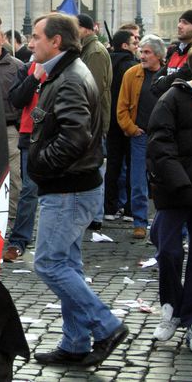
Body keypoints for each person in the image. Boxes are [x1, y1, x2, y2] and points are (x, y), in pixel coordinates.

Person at [28, 13, 128, 366]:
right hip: (71, 185)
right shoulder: (64, 71)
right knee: (66, 263)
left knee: (49, 263)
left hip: (69, 187)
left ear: (56, 41)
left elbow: (74, 137)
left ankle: (106, 325)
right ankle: (75, 342)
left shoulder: (69, 77)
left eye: (36, 36)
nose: (30, 41)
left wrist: (39, 164)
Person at [146, 40, 192, 354]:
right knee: (169, 252)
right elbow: (160, 145)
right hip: (176, 192)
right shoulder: (173, 98)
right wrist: (182, 183)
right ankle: (171, 308)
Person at [117, 35, 166, 239]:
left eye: (147, 52)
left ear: (159, 56)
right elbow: (122, 107)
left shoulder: (168, 75)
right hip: (140, 136)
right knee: (137, 180)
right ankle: (139, 222)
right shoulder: (132, 74)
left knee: (166, 180)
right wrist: (131, 128)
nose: (142, 55)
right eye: (142, 51)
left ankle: (171, 224)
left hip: (164, 137)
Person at [0, 24, 24, 253]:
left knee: (15, 178)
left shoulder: (17, 66)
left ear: (2, 39)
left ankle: (9, 224)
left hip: (9, 129)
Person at [3, 60, 44, 262]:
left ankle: (53, 244)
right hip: (30, 135)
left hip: (58, 135)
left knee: (57, 192)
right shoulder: (27, 68)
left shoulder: (69, 67)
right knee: (29, 189)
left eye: (37, 38)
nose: (32, 43)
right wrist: (34, 77)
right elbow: (17, 99)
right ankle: (19, 240)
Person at [78, 13, 113, 231]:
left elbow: (94, 88)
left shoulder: (95, 52)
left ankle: (95, 215)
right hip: (90, 119)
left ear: (87, 29)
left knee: (96, 169)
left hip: (95, 120)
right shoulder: (87, 50)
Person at [104, 30, 139, 222]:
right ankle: (129, 209)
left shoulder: (107, 62)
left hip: (111, 121)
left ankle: (109, 208)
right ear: (125, 46)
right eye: (134, 43)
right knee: (132, 166)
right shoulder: (133, 67)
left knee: (113, 165)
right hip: (128, 121)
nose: (136, 46)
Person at [152, 8, 192, 97]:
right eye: (180, 22)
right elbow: (154, 82)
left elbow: (182, 77)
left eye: (185, 23)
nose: (179, 25)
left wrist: (162, 83)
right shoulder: (175, 50)